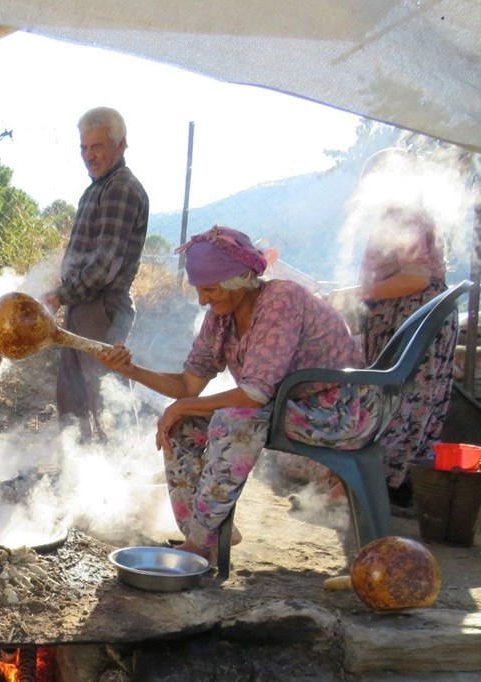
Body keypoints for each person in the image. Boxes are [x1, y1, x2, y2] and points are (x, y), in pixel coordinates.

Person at [96, 226, 381, 561]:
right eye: (200, 291)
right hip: (289, 406)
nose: (203, 299)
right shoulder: (221, 317)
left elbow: (254, 395)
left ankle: (200, 542)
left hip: (342, 410)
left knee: (233, 421)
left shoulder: (281, 300)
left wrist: (185, 405)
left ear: (241, 279)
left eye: (210, 289)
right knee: (182, 424)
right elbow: (188, 386)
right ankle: (207, 535)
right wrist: (132, 370)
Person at [333, 195, 458, 510]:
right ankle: (393, 486)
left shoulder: (408, 215)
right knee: (396, 401)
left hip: (413, 320)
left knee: (399, 404)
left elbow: (417, 277)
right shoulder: (399, 216)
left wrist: (357, 293)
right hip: (404, 318)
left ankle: (381, 484)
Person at [45, 107, 149, 440]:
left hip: (102, 309)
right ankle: (81, 476)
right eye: (84, 148)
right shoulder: (97, 188)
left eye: (98, 147)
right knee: (73, 398)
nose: (89, 156)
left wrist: (59, 295)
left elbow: (105, 266)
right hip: (84, 306)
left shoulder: (121, 189)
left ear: (120, 146)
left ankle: (123, 476)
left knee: (105, 401)